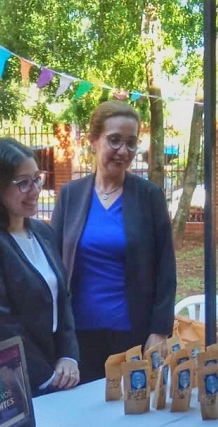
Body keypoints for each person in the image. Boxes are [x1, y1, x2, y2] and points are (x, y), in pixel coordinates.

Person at [51, 100, 176, 382]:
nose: (123, 151)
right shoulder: (71, 195)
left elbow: (166, 268)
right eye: (114, 140)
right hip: (78, 338)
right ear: (93, 140)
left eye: (131, 143)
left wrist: (160, 330)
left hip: (133, 337)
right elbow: (54, 264)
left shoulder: (149, 197)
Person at [0, 137, 79, 395]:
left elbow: (63, 298)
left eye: (37, 178)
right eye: (23, 183)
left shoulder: (42, 232)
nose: (35, 190)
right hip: (7, 380)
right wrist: (46, 376)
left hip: (54, 370)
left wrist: (68, 356)